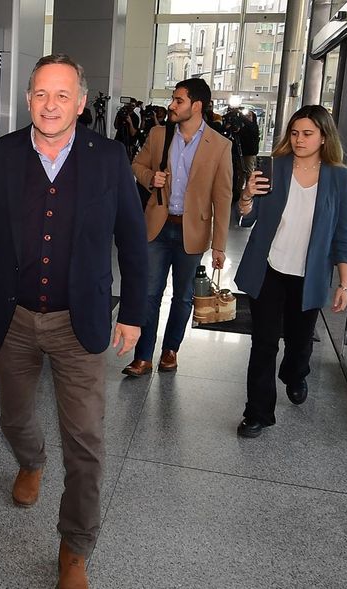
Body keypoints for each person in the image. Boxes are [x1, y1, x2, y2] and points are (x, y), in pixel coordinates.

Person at [0, 54, 147, 589]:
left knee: (85, 441)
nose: (50, 105)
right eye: (40, 94)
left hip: (79, 323)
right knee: (14, 416)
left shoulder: (109, 158)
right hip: (12, 319)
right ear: (28, 99)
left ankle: (75, 547)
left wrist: (133, 312)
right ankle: (31, 459)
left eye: (62, 95)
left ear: (81, 103)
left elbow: (133, 241)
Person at [234, 104, 347, 438]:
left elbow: (344, 233)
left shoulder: (339, 178)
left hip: (309, 274)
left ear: (324, 137)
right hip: (269, 268)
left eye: (307, 134)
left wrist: (344, 283)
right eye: (294, 133)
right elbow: (247, 217)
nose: (299, 139)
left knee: (300, 341)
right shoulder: (275, 168)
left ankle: (295, 373)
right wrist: (246, 195)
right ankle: (257, 413)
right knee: (264, 343)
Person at [123, 78, 232, 376]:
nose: (172, 105)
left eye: (178, 100)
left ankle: (171, 350)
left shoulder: (219, 145)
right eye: (173, 99)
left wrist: (219, 245)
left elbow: (223, 198)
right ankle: (143, 356)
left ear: (196, 106)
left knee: (183, 297)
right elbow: (136, 165)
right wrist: (151, 178)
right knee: (149, 294)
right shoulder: (159, 134)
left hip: (192, 231)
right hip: (157, 227)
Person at [240, 109, 261, 177]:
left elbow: (249, 125)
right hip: (242, 152)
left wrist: (241, 116)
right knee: (241, 173)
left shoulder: (253, 126)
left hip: (249, 153)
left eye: (249, 116)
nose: (247, 117)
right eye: (246, 116)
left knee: (249, 172)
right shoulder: (243, 127)